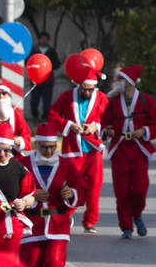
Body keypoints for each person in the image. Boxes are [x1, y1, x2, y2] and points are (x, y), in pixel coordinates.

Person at [18, 123, 86, 267]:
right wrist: (31, 196)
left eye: (51, 147)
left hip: (58, 223)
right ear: (36, 145)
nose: (48, 151)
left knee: (55, 264)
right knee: (29, 264)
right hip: (33, 223)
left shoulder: (65, 165)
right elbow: (13, 189)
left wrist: (71, 192)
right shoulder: (23, 163)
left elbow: (81, 188)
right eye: (44, 147)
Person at [47, 67, 108, 233]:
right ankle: (65, 215)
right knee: (69, 185)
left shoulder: (102, 98)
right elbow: (52, 115)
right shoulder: (67, 97)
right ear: (79, 85)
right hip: (72, 149)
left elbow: (109, 119)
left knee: (94, 187)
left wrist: (95, 126)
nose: (87, 92)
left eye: (90, 89)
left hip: (93, 150)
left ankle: (90, 221)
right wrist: (69, 125)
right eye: (85, 89)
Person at [100, 65, 156, 238]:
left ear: (130, 81)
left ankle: (137, 214)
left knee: (140, 189)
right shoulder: (114, 102)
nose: (119, 83)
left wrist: (144, 131)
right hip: (120, 149)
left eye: (122, 80)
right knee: (121, 190)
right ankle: (126, 226)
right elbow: (104, 124)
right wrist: (107, 131)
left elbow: (155, 124)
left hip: (139, 150)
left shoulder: (146, 100)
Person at [0, 123, 35, 253]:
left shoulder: (19, 169)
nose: (2, 154)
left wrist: (23, 203)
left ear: (11, 148)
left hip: (11, 226)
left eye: (6, 150)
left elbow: (31, 196)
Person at [0, 83, 32, 153]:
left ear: (9, 95)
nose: (1, 96)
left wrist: (18, 141)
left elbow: (26, 136)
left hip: (10, 153)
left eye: (4, 93)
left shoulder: (15, 116)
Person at [28, 31, 61, 120]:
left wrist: (48, 65)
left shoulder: (51, 51)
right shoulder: (34, 50)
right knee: (34, 101)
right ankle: (35, 115)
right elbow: (28, 62)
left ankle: (45, 118)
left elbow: (57, 63)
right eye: (42, 39)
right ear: (39, 40)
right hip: (35, 81)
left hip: (48, 81)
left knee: (47, 101)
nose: (44, 41)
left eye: (46, 39)